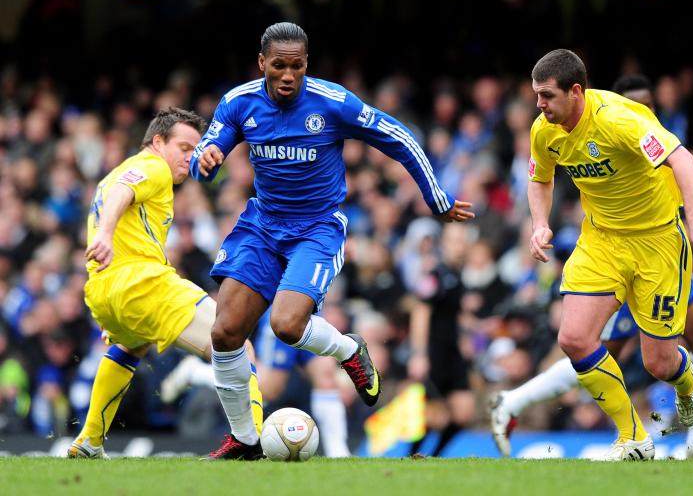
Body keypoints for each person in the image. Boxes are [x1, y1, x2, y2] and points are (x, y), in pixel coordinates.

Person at [191, 22, 474, 459]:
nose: (288, 75)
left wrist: (436, 198)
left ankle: (349, 350)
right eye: (279, 66)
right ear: (262, 62)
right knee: (225, 332)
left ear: (307, 64)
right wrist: (204, 161)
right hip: (262, 225)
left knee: (287, 324)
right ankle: (245, 441)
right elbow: (207, 153)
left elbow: (398, 138)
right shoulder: (238, 102)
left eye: (297, 66)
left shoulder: (333, 102)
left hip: (317, 228)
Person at [490, 74, 693, 459]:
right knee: (573, 338)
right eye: (537, 95)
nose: (539, 104)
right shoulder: (544, 130)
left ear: (574, 92)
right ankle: (634, 437)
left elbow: (682, 157)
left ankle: (688, 386)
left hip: (657, 244)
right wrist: (540, 224)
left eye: (546, 95)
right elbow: (539, 177)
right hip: (601, 242)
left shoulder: (622, 120)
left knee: (660, 361)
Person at [68, 108, 263, 459]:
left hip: (104, 289)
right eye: (184, 147)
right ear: (158, 142)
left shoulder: (112, 174)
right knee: (237, 345)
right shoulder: (153, 167)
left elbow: (119, 198)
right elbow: (122, 196)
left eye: (196, 149)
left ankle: (90, 440)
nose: (191, 158)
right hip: (142, 283)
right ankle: (254, 442)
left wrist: (118, 305)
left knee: (131, 347)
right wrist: (108, 234)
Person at [160, 308, 352, 457]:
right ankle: (196, 372)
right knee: (269, 389)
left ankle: (339, 453)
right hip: (282, 311)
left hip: (310, 311)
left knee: (326, 376)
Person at [407, 223, 475, 457]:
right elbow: (420, 313)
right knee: (432, 415)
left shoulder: (457, 275)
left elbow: (453, 315)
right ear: (444, 244)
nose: (460, 246)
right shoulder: (435, 275)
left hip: (453, 351)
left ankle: (435, 456)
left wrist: (467, 335)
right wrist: (418, 354)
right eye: (455, 240)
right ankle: (412, 455)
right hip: (434, 351)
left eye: (463, 240)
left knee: (464, 411)